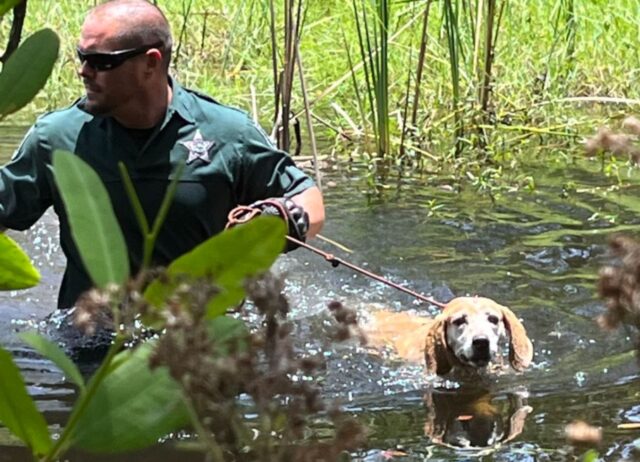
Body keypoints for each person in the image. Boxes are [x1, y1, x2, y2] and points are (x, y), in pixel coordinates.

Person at [0, 0, 325, 310]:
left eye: (101, 62)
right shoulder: (56, 137)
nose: (84, 71)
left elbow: (308, 199)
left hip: (196, 339)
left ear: (151, 63)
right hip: (91, 341)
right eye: (81, 56)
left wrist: (279, 218)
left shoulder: (226, 132)